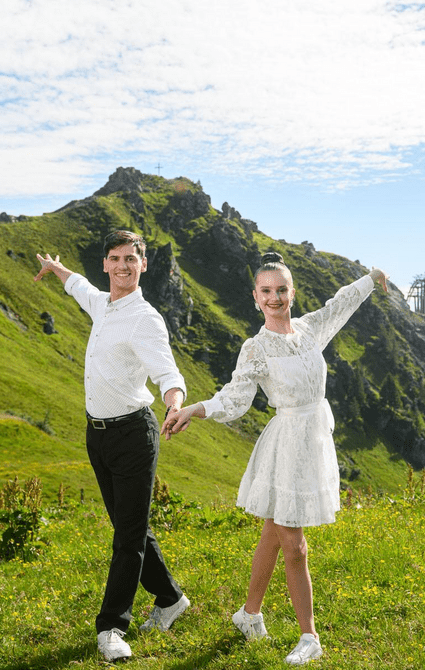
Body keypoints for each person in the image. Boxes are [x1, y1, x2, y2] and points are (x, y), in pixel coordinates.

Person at [162, 252, 388, 666]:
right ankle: (310, 637)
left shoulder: (309, 329)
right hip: (285, 446)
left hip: (313, 440)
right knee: (294, 546)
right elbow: (234, 398)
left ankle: (249, 615)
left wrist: (371, 278)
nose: (275, 298)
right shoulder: (256, 348)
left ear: (292, 292)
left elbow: (339, 305)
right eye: (266, 291)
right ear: (255, 296)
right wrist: (195, 409)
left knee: (273, 530)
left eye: (281, 290)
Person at [34, 230, 190, 662]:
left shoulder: (145, 318)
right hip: (97, 434)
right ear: (106, 263)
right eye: (116, 258)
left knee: (127, 537)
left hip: (133, 435)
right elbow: (78, 286)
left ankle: (111, 628)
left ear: (143, 265)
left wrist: (175, 404)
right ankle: (171, 599)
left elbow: (168, 373)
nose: (123, 266)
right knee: (129, 525)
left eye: (131, 259)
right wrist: (56, 268)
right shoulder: (102, 304)